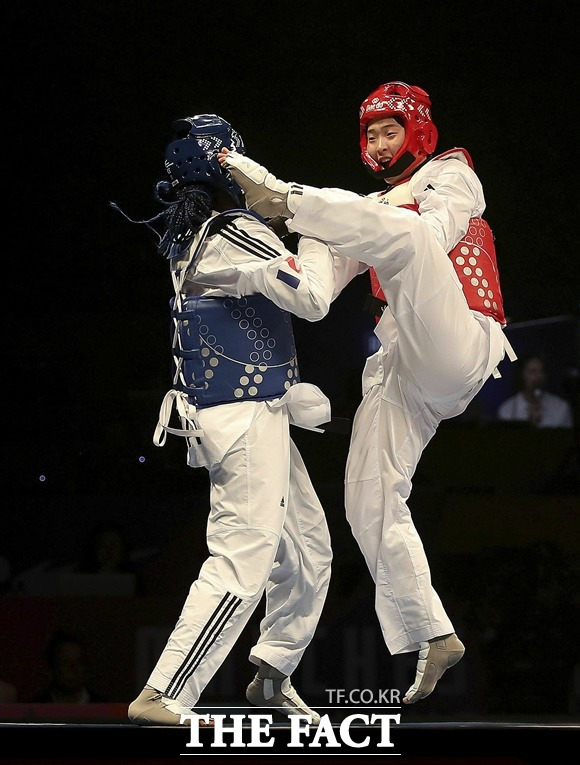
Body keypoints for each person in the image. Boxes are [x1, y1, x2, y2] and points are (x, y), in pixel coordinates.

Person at [218, 81, 517, 705]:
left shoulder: (451, 173)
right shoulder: (369, 210)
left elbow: (428, 237)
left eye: (391, 131)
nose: (381, 144)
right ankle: (430, 633)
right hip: (402, 362)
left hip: (459, 340)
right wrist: (275, 269)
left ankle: (285, 198)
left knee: (396, 237)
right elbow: (349, 242)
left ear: (419, 131)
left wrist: (314, 208)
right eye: (371, 135)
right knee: (367, 496)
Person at [115, 114, 339, 726]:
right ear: (228, 167)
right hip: (242, 423)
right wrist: (323, 230)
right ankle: (164, 694)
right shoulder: (234, 230)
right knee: (244, 554)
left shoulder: (202, 233)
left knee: (309, 549)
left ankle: (271, 674)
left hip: (252, 414)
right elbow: (312, 299)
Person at [497, 354, 573, 428]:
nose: (538, 377)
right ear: (521, 376)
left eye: (541, 371)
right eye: (532, 372)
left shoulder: (561, 407)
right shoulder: (508, 410)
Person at [30, 630, 104, 703]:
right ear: (51, 670)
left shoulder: (103, 708)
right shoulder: (35, 707)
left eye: (79, 662)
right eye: (65, 663)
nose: (74, 669)